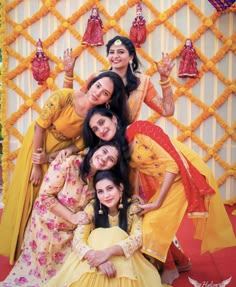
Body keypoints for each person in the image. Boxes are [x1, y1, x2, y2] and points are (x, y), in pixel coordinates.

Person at [81, 107, 236, 285]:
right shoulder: (117, 149)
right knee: (147, 220)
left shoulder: (140, 130)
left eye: (102, 122)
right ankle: (182, 262)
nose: (101, 130)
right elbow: (130, 174)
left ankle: (171, 268)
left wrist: (157, 202)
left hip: (185, 174)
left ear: (114, 119)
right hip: (167, 182)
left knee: (152, 224)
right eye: (96, 129)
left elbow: (172, 164)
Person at [0, 71, 130, 264]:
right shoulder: (65, 96)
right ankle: (19, 250)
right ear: (91, 83)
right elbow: (39, 127)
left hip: (58, 154)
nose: (98, 93)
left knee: (44, 196)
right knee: (29, 193)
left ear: (108, 100)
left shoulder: (95, 116)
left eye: (105, 93)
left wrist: (53, 157)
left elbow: (79, 144)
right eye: (98, 86)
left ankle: (35, 247)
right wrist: (38, 163)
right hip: (38, 144)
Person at [0, 141, 128, 287]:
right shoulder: (69, 163)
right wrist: (72, 217)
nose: (105, 158)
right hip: (46, 226)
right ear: (96, 149)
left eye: (111, 159)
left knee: (71, 276)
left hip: (71, 234)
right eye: (104, 151)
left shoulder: (99, 182)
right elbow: (45, 197)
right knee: (38, 279)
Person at [43, 170, 164, 287]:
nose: (106, 195)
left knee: (116, 233)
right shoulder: (92, 208)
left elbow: (137, 239)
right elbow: (78, 240)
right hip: (94, 260)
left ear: (120, 188)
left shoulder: (133, 208)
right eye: (100, 191)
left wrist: (107, 253)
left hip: (124, 259)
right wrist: (99, 260)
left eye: (110, 188)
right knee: (97, 234)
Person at [62, 35, 175, 123]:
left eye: (120, 52)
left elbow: (167, 111)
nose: (115, 56)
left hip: (125, 140)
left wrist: (164, 79)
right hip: (95, 137)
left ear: (131, 56)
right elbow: (69, 104)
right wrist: (68, 74)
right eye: (111, 52)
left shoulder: (142, 83)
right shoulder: (97, 78)